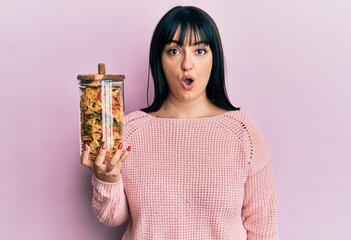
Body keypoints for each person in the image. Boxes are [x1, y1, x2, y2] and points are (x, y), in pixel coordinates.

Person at [81, 5, 278, 240]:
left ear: (215, 58)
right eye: (174, 51)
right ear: (159, 59)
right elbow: (112, 218)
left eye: (200, 51)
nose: (187, 64)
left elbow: (263, 228)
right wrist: (107, 179)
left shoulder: (243, 132)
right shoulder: (128, 131)